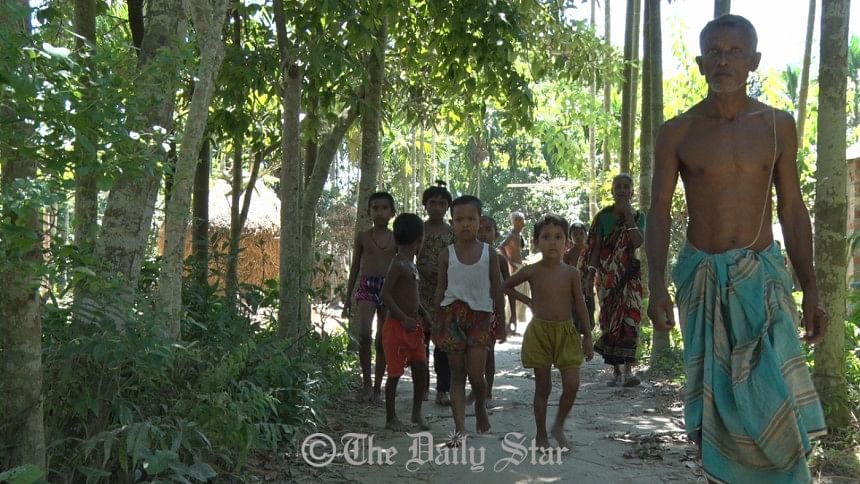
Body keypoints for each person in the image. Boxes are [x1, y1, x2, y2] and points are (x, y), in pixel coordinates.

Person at [646, 14, 827, 484]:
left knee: (774, 389)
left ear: (754, 60)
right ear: (701, 63)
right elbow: (658, 212)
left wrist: (811, 288)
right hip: (702, 279)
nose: (723, 61)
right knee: (717, 401)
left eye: (734, 52)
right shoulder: (678, 131)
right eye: (715, 52)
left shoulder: (777, 126)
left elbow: (792, 207)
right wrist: (656, 286)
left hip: (762, 279)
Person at [504, 214, 594, 450]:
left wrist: (588, 336)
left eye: (558, 237)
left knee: (572, 385)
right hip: (540, 334)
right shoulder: (532, 271)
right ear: (536, 242)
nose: (552, 242)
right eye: (546, 237)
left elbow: (581, 305)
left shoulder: (571, 273)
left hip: (566, 333)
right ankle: (541, 434)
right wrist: (528, 301)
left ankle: (558, 425)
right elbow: (505, 286)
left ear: (567, 242)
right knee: (543, 387)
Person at [433, 195, 504, 438]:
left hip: (481, 317)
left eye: (470, 219)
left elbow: (497, 289)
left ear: (479, 221)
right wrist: (436, 322)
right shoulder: (446, 254)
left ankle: (480, 404)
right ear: (452, 222)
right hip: (451, 315)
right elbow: (440, 289)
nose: (465, 224)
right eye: (459, 219)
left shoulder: (489, 253)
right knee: (457, 372)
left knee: (476, 373)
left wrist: (501, 323)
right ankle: (459, 427)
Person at [582, 173, 645, 387]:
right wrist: (590, 274)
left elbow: (637, 242)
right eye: (618, 186)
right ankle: (616, 372)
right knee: (609, 321)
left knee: (630, 320)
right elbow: (596, 248)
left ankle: (629, 371)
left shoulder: (639, 216)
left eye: (626, 186)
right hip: (607, 278)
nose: (622, 190)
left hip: (630, 278)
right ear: (612, 191)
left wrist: (628, 216)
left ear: (632, 191)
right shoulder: (603, 217)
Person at [343, 192, 396, 403]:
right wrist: (348, 297)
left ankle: (377, 388)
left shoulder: (396, 238)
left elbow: (403, 265)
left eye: (384, 208)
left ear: (392, 213)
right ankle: (366, 383)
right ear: (369, 212)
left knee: (383, 340)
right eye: (375, 208)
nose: (380, 212)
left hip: (388, 288)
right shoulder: (363, 237)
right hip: (367, 286)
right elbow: (356, 266)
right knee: (364, 334)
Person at [380, 213, 431, 431]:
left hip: (414, 327)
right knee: (394, 374)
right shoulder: (398, 264)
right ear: (419, 239)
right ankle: (391, 418)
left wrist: (423, 313)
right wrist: (402, 317)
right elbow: (385, 294)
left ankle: (416, 413)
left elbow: (413, 297)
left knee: (421, 369)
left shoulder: (411, 265)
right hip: (396, 328)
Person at [466, 215, 514, 407]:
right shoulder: (467, 256)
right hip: (469, 310)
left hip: (491, 312)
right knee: (470, 353)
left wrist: (511, 317)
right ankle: (475, 388)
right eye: (480, 230)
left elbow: (508, 287)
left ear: (496, 234)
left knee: (489, 352)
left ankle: (488, 392)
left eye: (488, 230)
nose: (483, 234)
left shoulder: (499, 260)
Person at [416, 181, 454, 406]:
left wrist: (442, 274)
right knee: (421, 343)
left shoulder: (453, 233)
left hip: (446, 294)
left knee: (442, 344)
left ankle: (443, 389)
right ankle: (422, 386)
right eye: (433, 203)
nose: (437, 208)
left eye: (442, 204)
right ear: (425, 205)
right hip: (420, 294)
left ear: (448, 206)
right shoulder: (418, 230)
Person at [499, 211, 528, 334]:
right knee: (515, 295)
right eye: (520, 220)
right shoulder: (511, 235)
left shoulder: (518, 235)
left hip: (519, 266)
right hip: (515, 267)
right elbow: (501, 247)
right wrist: (509, 262)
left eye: (523, 219)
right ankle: (508, 323)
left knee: (521, 294)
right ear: (515, 222)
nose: (523, 222)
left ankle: (512, 323)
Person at [564, 221, 594, 334]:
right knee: (575, 316)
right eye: (575, 234)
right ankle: (575, 339)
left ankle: (587, 337)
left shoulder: (590, 252)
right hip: (573, 291)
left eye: (581, 233)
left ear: (586, 235)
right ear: (570, 237)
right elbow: (565, 272)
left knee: (589, 313)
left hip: (588, 288)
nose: (578, 237)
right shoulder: (568, 254)